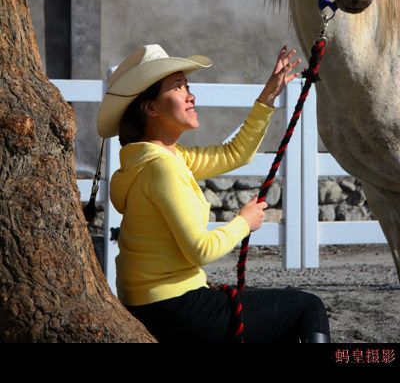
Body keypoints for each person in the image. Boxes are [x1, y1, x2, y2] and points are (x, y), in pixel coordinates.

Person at [97, 43, 331, 343]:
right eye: (178, 87)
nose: (190, 95)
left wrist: (267, 98)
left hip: (154, 304)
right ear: (150, 108)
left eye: (187, 85)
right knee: (308, 307)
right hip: (177, 307)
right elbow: (200, 249)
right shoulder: (163, 168)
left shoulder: (154, 160)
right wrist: (243, 222)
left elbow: (235, 153)